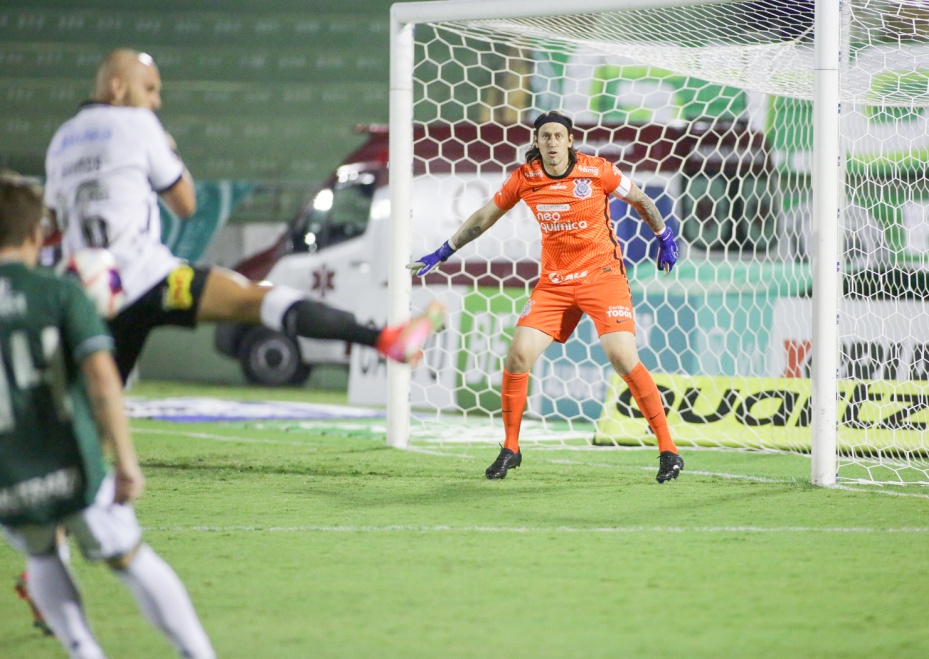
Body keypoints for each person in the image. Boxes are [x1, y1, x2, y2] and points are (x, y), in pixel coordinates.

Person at [44, 48, 443, 386]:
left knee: (95, 402)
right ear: (117, 87)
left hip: (92, 290)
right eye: (149, 89)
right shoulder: (138, 123)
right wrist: (169, 151)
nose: (156, 101)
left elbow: (54, 223)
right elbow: (185, 204)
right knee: (258, 299)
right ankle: (385, 339)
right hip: (152, 282)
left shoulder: (62, 139)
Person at [0, 173, 216, 658]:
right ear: (36, 234)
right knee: (130, 559)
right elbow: (103, 379)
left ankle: (83, 650)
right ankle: (198, 653)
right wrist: (125, 460)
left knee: (41, 553)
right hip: (74, 461)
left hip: (8, 471)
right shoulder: (59, 292)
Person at [408, 110, 683, 483]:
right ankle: (510, 447)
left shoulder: (597, 170)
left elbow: (640, 199)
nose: (552, 142)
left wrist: (664, 236)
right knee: (518, 355)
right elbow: (485, 216)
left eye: (558, 136)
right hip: (554, 284)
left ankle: (669, 450)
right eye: (545, 136)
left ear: (570, 141)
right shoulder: (525, 178)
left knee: (621, 357)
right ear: (536, 142)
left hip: (602, 277)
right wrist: (443, 251)